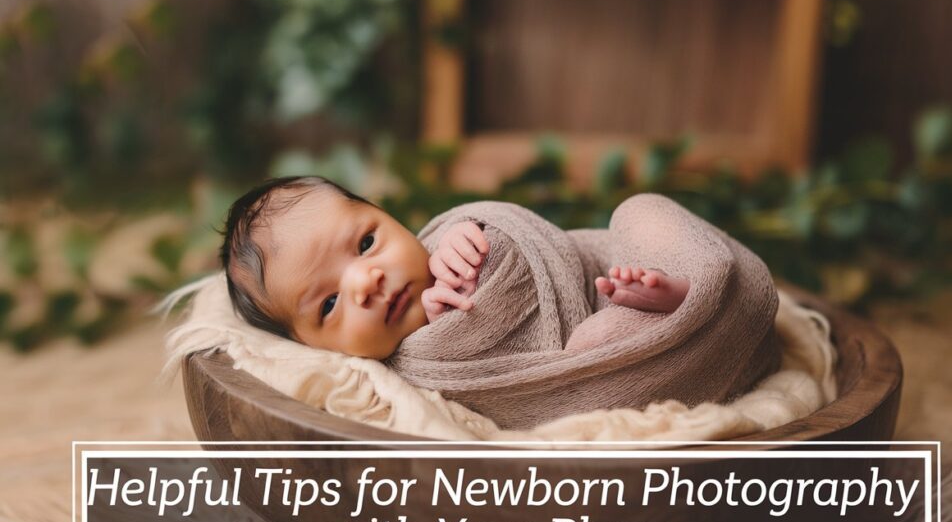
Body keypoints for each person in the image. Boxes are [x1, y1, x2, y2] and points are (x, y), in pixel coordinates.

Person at [220, 176, 689, 359]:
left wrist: (467, 235)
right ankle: (662, 312)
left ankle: (677, 292)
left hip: (589, 279)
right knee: (596, 342)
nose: (366, 281)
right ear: (309, 346)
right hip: (592, 338)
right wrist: (444, 334)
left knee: (640, 216)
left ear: (390, 216)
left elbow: (515, 245)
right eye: (329, 303)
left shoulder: (446, 246)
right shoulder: (399, 377)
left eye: (366, 242)